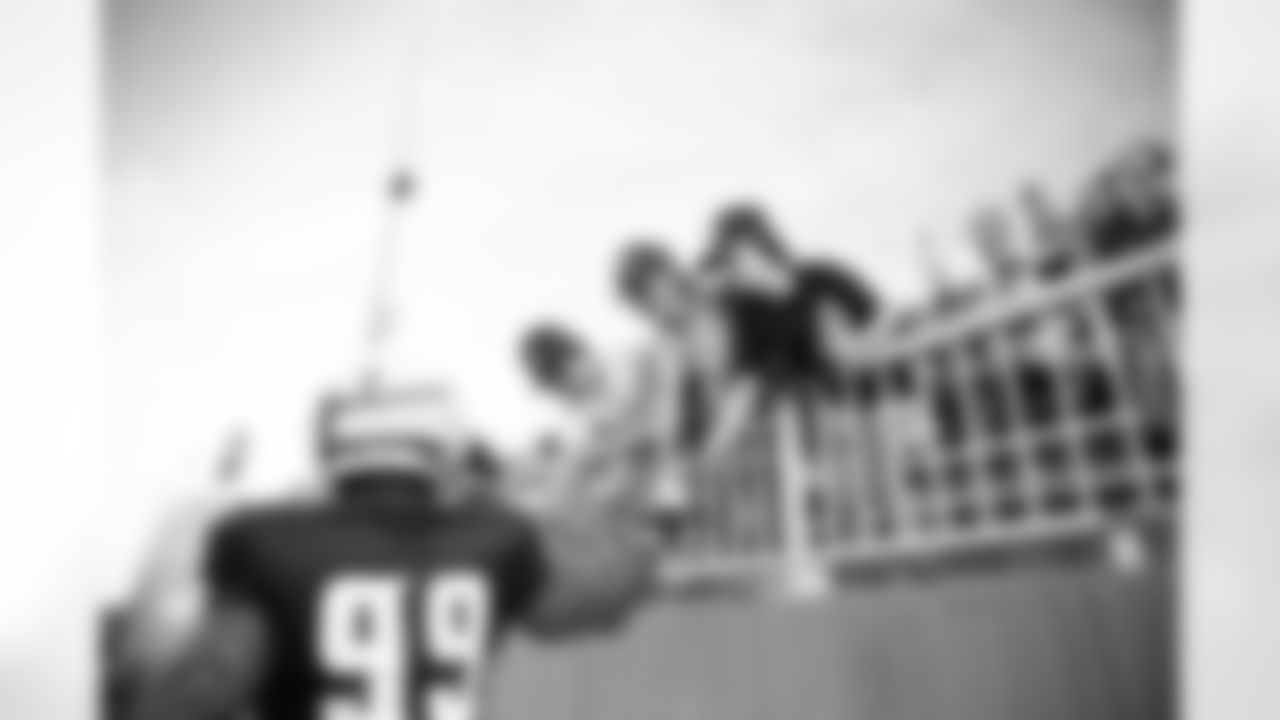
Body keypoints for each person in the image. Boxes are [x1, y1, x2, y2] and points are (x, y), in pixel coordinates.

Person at [120, 385, 665, 720]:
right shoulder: (495, 538)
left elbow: (205, 688)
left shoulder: (266, 540)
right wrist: (643, 541)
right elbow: (600, 603)